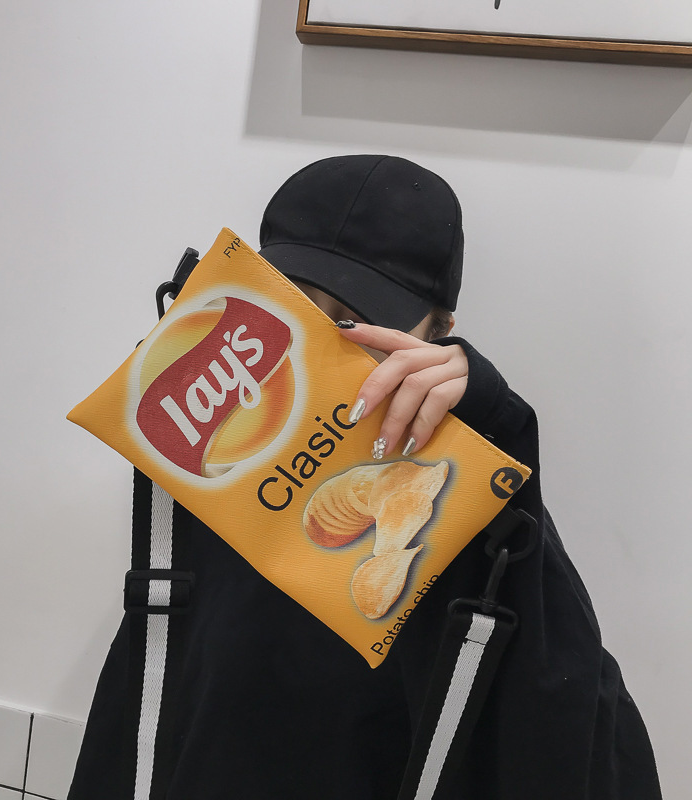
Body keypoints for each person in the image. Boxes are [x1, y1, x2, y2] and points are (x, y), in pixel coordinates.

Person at [69, 155, 661, 799]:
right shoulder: (220, 450)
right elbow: (153, 686)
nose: (321, 337)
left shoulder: (463, 492)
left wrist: (493, 424)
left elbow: (573, 725)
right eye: (295, 304)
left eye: (355, 320)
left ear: (438, 332)